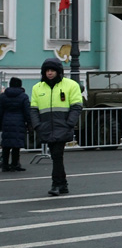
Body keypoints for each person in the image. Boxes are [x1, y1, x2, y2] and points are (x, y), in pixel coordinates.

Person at [30, 58, 83, 196]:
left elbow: (77, 106)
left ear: (58, 72)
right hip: (46, 127)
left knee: (57, 155)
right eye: (47, 70)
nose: (49, 73)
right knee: (56, 156)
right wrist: (37, 125)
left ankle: (56, 184)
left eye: (52, 70)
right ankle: (63, 184)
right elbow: (34, 109)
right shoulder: (37, 88)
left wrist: (69, 123)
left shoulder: (71, 85)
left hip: (62, 126)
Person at [1, 77, 33, 172]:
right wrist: (29, 123)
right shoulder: (23, 96)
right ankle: (15, 164)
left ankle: (5, 164)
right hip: (19, 121)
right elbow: (27, 111)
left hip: (6, 121)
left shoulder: (3, 96)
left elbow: (0, 110)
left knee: (6, 144)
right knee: (16, 144)